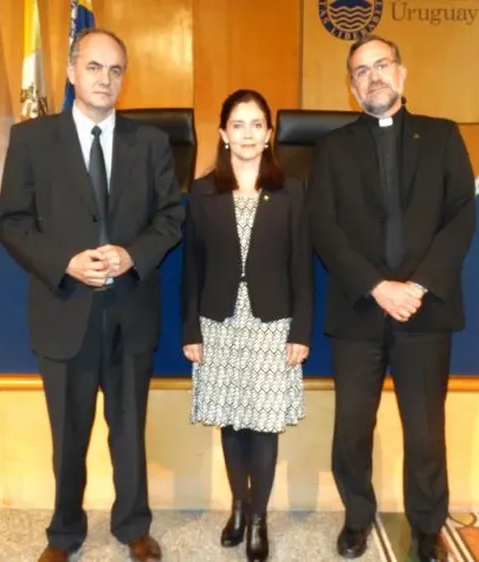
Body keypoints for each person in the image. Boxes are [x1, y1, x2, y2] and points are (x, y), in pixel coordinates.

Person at [0, 27, 183, 562]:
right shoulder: (33, 140)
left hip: (130, 312)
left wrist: (132, 255)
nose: (105, 79)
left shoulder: (150, 143)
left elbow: (171, 217)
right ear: (73, 73)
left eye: (116, 70)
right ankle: (64, 534)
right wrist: (65, 263)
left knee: (128, 432)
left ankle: (132, 527)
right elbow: (11, 223)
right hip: (64, 311)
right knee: (68, 436)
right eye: (95, 67)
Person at [305, 34, 476, 562]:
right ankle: (358, 517)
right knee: (352, 428)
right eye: (361, 70)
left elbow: (461, 218)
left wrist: (416, 286)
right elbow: (324, 227)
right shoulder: (332, 148)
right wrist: (379, 287)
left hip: (426, 311)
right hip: (360, 309)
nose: (373, 76)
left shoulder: (444, 137)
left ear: (401, 74)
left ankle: (427, 526)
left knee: (426, 431)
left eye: (382, 66)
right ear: (352, 85)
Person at [180, 89, 314, 562]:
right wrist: (189, 331)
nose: (248, 134)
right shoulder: (201, 191)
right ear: (222, 134)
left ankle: (258, 519)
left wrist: (301, 332)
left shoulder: (292, 190)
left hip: (272, 323)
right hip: (218, 321)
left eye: (257, 124)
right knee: (232, 422)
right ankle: (238, 506)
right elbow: (191, 267)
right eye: (238, 125)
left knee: (264, 425)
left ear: (270, 134)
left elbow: (302, 266)